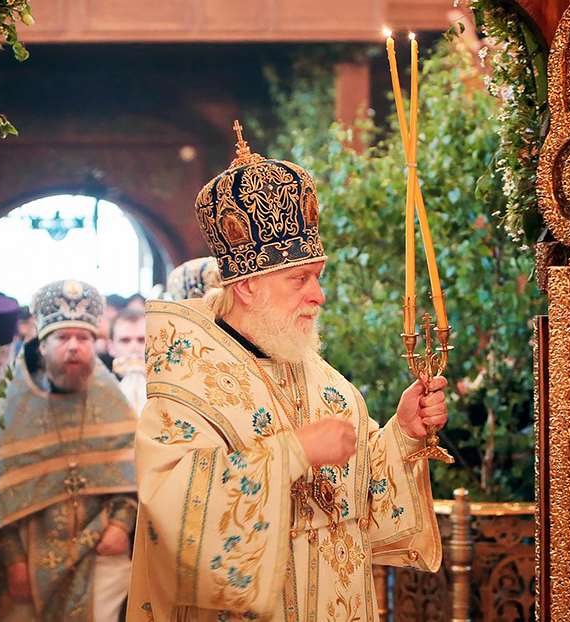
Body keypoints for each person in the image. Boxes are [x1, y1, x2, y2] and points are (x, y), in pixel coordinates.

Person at [127, 129, 448, 621]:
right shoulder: (188, 383)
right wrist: (293, 452)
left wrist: (402, 433)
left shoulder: (327, 383)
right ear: (248, 286)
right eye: (300, 279)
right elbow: (170, 514)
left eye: (318, 276)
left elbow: (362, 503)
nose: (319, 295)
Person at [0, 280, 138, 622]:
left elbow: (134, 476)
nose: (73, 346)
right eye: (62, 338)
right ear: (43, 345)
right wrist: (14, 562)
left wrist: (121, 525)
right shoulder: (13, 407)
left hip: (99, 555)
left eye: (83, 338)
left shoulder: (113, 402)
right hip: (29, 563)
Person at [109, 308, 147, 414]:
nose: (134, 348)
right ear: (111, 347)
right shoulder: (100, 393)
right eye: (125, 340)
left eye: (142, 340)